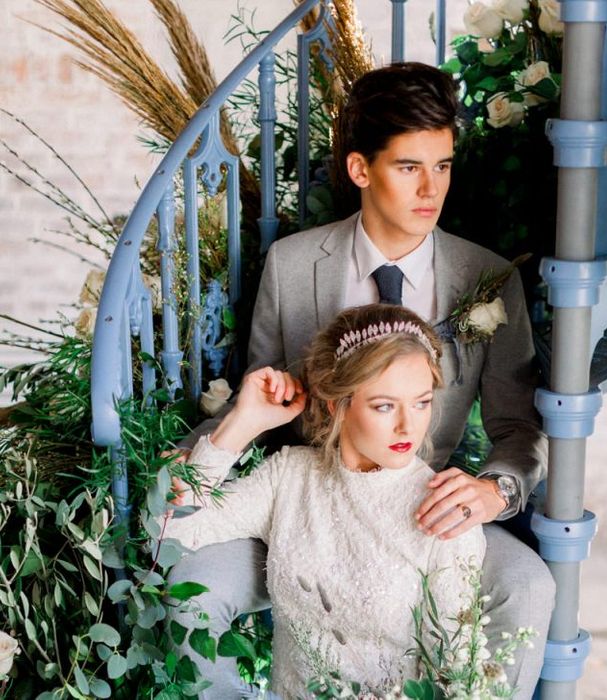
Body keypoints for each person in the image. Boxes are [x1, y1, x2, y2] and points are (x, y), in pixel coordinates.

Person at [173, 62, 554, 697]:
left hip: (427, 510)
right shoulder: (293, 265)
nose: (431, 188)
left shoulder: (489, 278)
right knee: (191, 590)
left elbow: (518, 428)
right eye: (409, 167)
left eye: (443, 165)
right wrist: (202, 461)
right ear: (360, 170)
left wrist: (495, 492)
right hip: (309, 505)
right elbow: (264, 395)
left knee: (530, 586)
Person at [166, 304, 486, 697]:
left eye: (421, 402)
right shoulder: (290, 476)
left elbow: (454, 678)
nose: (409, 424)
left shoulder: (444, 512)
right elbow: (173, 531)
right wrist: (243, 422)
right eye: (384, 406)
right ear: (337, 403)